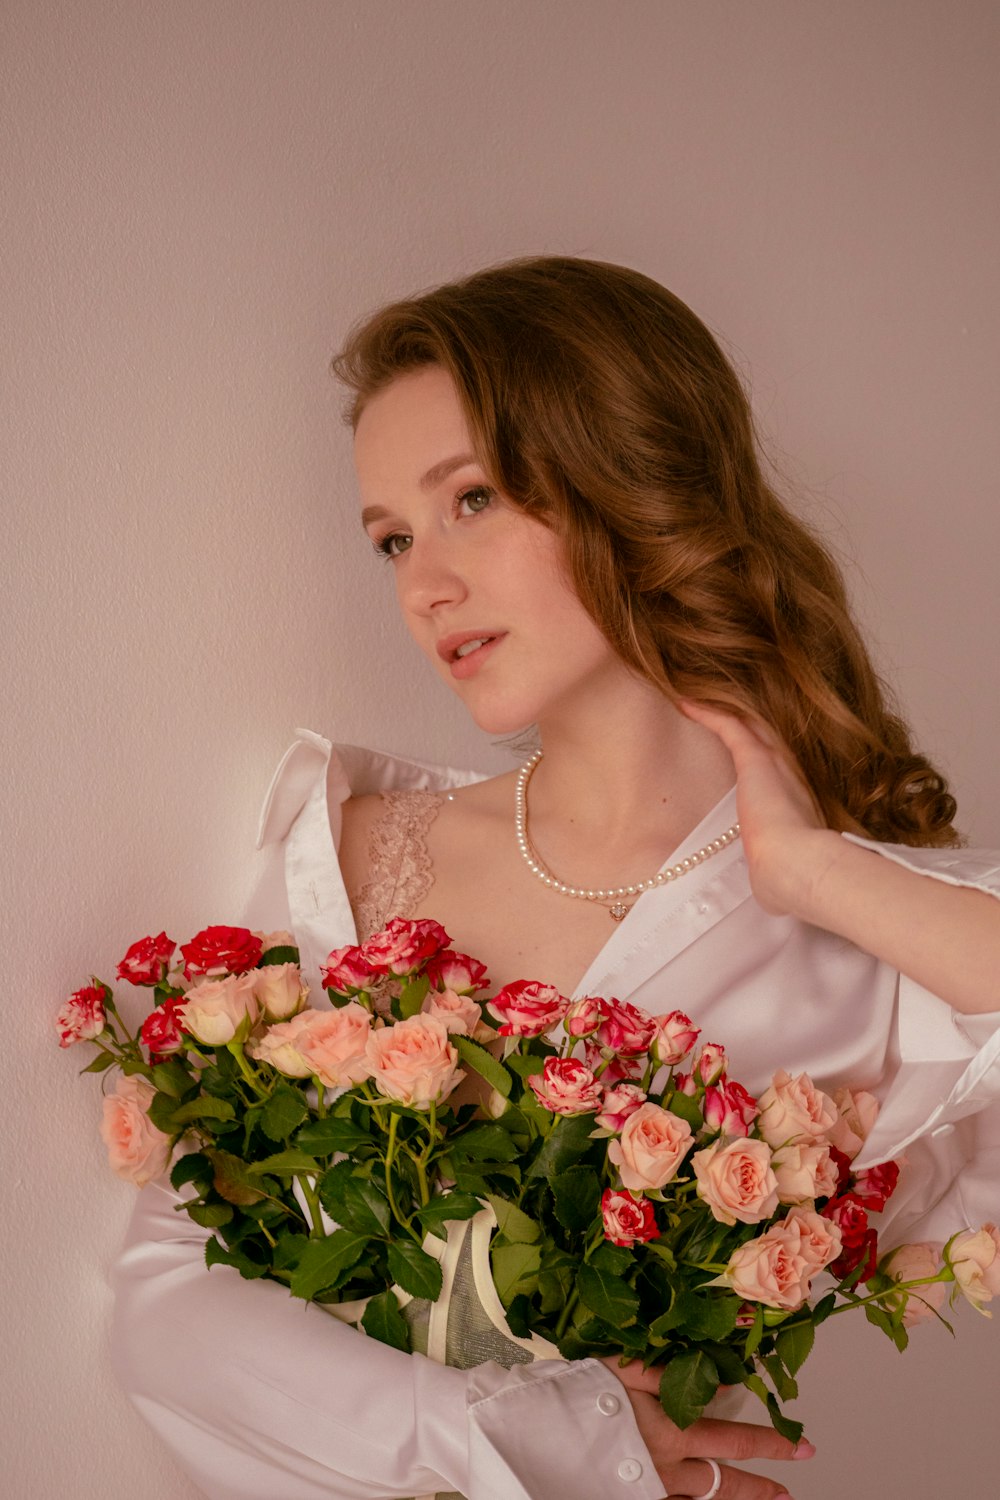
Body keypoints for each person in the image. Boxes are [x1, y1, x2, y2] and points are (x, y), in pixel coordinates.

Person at [110, 257, 1000, 1500]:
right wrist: (530, 1439)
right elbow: (164, 1304)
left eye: (471, 499)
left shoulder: (875, 945)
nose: (424, 588)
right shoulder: (353, 858)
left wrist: (811, 872)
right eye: (391, 540)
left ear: (628, 480)